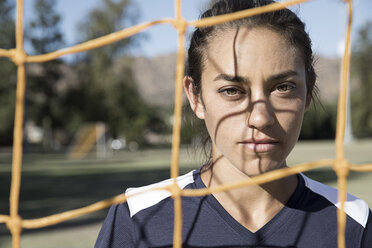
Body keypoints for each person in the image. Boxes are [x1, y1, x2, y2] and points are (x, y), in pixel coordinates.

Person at [95, 0, 372, 247]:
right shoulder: (138, 217)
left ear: (308, 91)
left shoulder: (352, 222)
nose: (260, 118)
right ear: (195, 96)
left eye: (283, 87)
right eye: (232, 90)